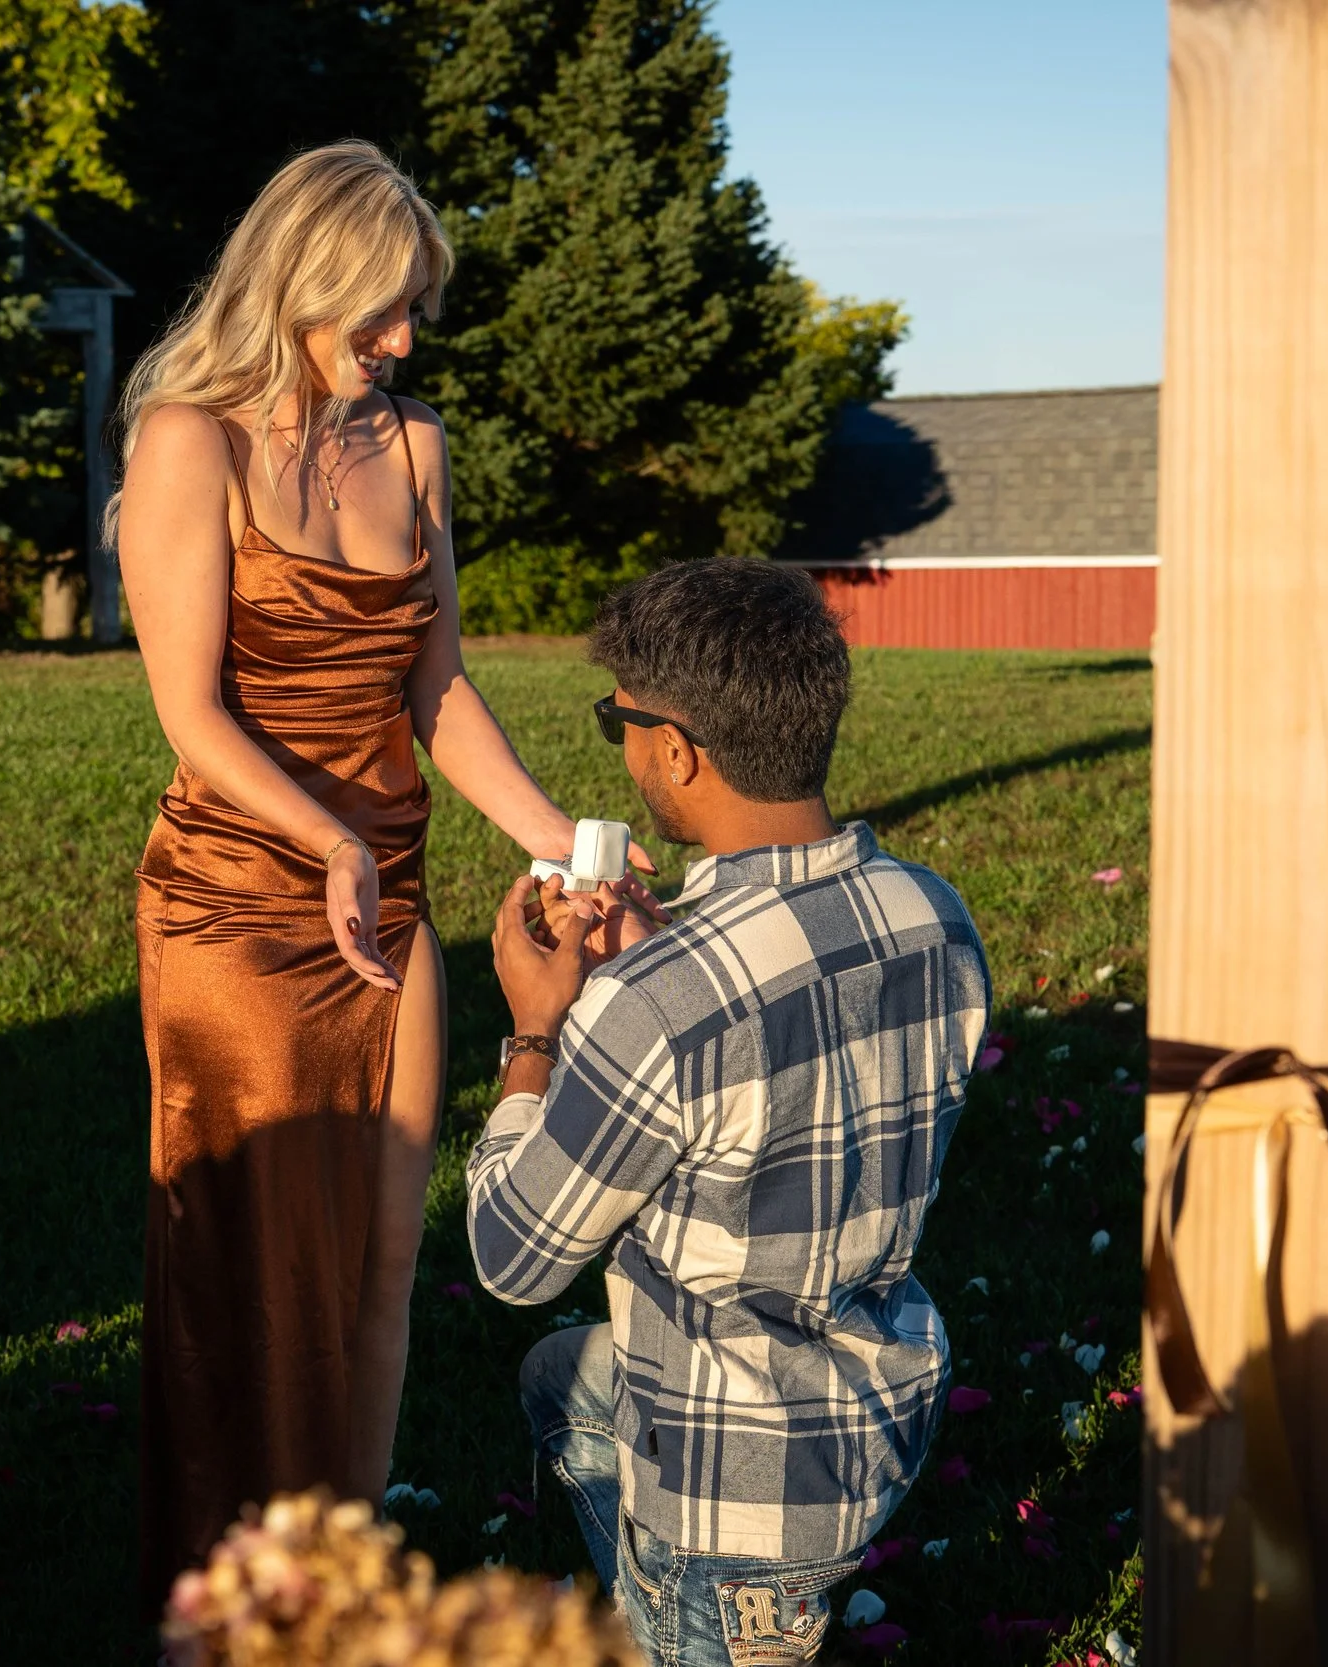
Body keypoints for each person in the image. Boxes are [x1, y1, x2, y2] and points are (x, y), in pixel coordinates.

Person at [113, 141, 665, 1598]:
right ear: (300, 286)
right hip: (238, 905)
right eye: (379, 315)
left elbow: (440, 691)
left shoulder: (412, 448)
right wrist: (328, 834)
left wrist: (567, 843)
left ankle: (339, 1575)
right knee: (248, 1271)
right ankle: (228, 1580)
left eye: (415, 311)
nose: (405, 343)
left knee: (375, 1273)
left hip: (392, 908)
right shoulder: (191, 438)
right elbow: (191, 709)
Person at [466, 560, 989, 1667]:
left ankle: (673, 1617)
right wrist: (655, 972)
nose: (618, 741)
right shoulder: (933, 916)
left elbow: (512, 1256)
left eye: (618, 717)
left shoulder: (655, 1005)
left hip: (728, 1508)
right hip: (873, 1409)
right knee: (560, 1375)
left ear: (675, 749)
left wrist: (535, 1034)